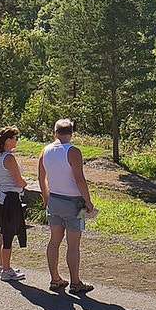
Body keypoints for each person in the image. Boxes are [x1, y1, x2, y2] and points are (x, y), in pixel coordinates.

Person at [38, 118, 96, 294]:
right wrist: (88, 200)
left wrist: (45, 196)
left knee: (54, 241)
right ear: (71, 133)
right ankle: (75, 282)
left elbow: (41, 178)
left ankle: (55, 279)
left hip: (54, 199)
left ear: (55, 133)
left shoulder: (45, 150)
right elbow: (79, 179)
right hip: (72, 202)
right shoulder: (73, 152)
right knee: (73, 245)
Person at [0, 127, 29, 281]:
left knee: (2, 232)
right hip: (10, 200)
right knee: (8, 236)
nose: (17, 141)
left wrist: (1, 180)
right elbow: (19, 180)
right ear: (8, 140)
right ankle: (6, 270)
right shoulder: (9, 158)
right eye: (15, 138)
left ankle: (1, 265)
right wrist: (25, 183)